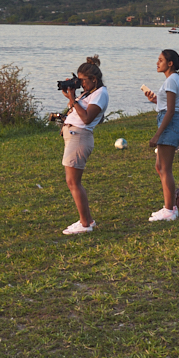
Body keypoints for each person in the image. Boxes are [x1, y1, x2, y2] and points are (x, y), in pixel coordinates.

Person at [59, 56, 108, 235]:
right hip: (74, 136)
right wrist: (71, 97)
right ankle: (87, 220)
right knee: (73, 181)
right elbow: (77, 109)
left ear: (93, 80)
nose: (81, 84)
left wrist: (73, 99)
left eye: (83, 81)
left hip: (80, 137)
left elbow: (87, 118)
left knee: (73, 182)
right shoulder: (89, 93)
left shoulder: (100, 93)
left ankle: (85, 223)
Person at [143, 49, 179, 222]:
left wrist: (157, 135)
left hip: (170, 124)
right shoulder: (174, 80)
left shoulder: (171, 80)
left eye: (160, 60)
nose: (157, 63)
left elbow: (170, 111)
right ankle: (168, 205)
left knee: (165, 169)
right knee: (160, 166)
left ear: (170, 63)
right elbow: (169, 105)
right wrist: (155, 100)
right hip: (170, 122)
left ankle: (170, 209)